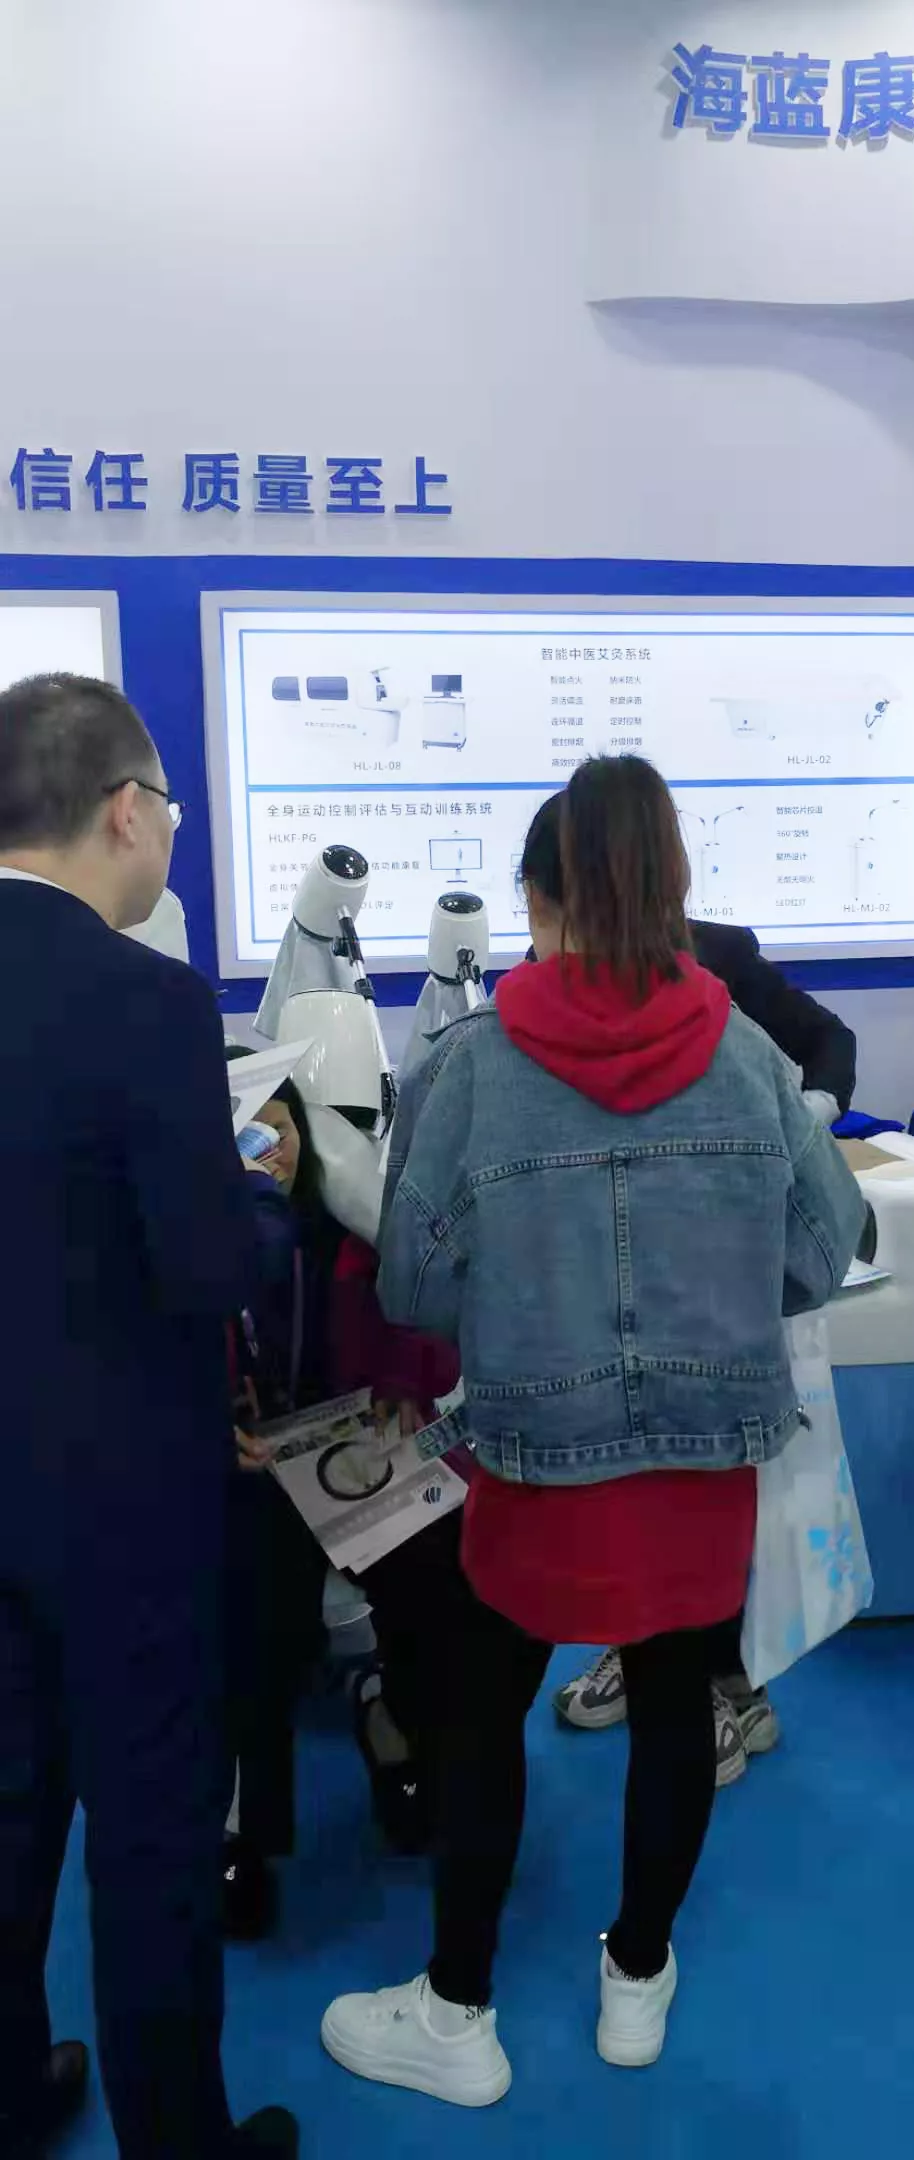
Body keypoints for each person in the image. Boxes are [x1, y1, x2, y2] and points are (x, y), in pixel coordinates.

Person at [321, 755, 865, 2105]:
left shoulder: (467, 1067)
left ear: (536, 897)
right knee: (678, 1703)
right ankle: (637, 1976)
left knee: (481, 1712)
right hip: (702, 1457)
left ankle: (457, 2011)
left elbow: (412, 1284)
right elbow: (824, 1249)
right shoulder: (749, 1057)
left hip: (530, 1457)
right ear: (674, 886)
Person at [0, 675, 297, 2159]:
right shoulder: (150, 1003)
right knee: (154, 1833)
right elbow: (206, 1268)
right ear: (126, 810)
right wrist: (261, 1189)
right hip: (124, 1502)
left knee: (5, 1812)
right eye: (170, 809)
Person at [543, 808, 857, 1767]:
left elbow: (829, 1039)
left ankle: (731, 1685)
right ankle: (640, 1653)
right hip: (609, 1274)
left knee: (716, 1487)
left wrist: (803, 1118)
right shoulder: (544, 983)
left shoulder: (723, 960)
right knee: (628, 1493)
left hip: (721, 1277)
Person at [222, 1055, 463, 1936]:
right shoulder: (194, 1240)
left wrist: (398, 1385)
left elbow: (421, 1324)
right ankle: (244, 1833)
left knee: (436, 1583)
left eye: (280, 1128)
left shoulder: (351, 1223)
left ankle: (398, 1727)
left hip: (356, 1447)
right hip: (247, 1479)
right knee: (253, 1640)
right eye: (247, 1134)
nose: (269, 1150)